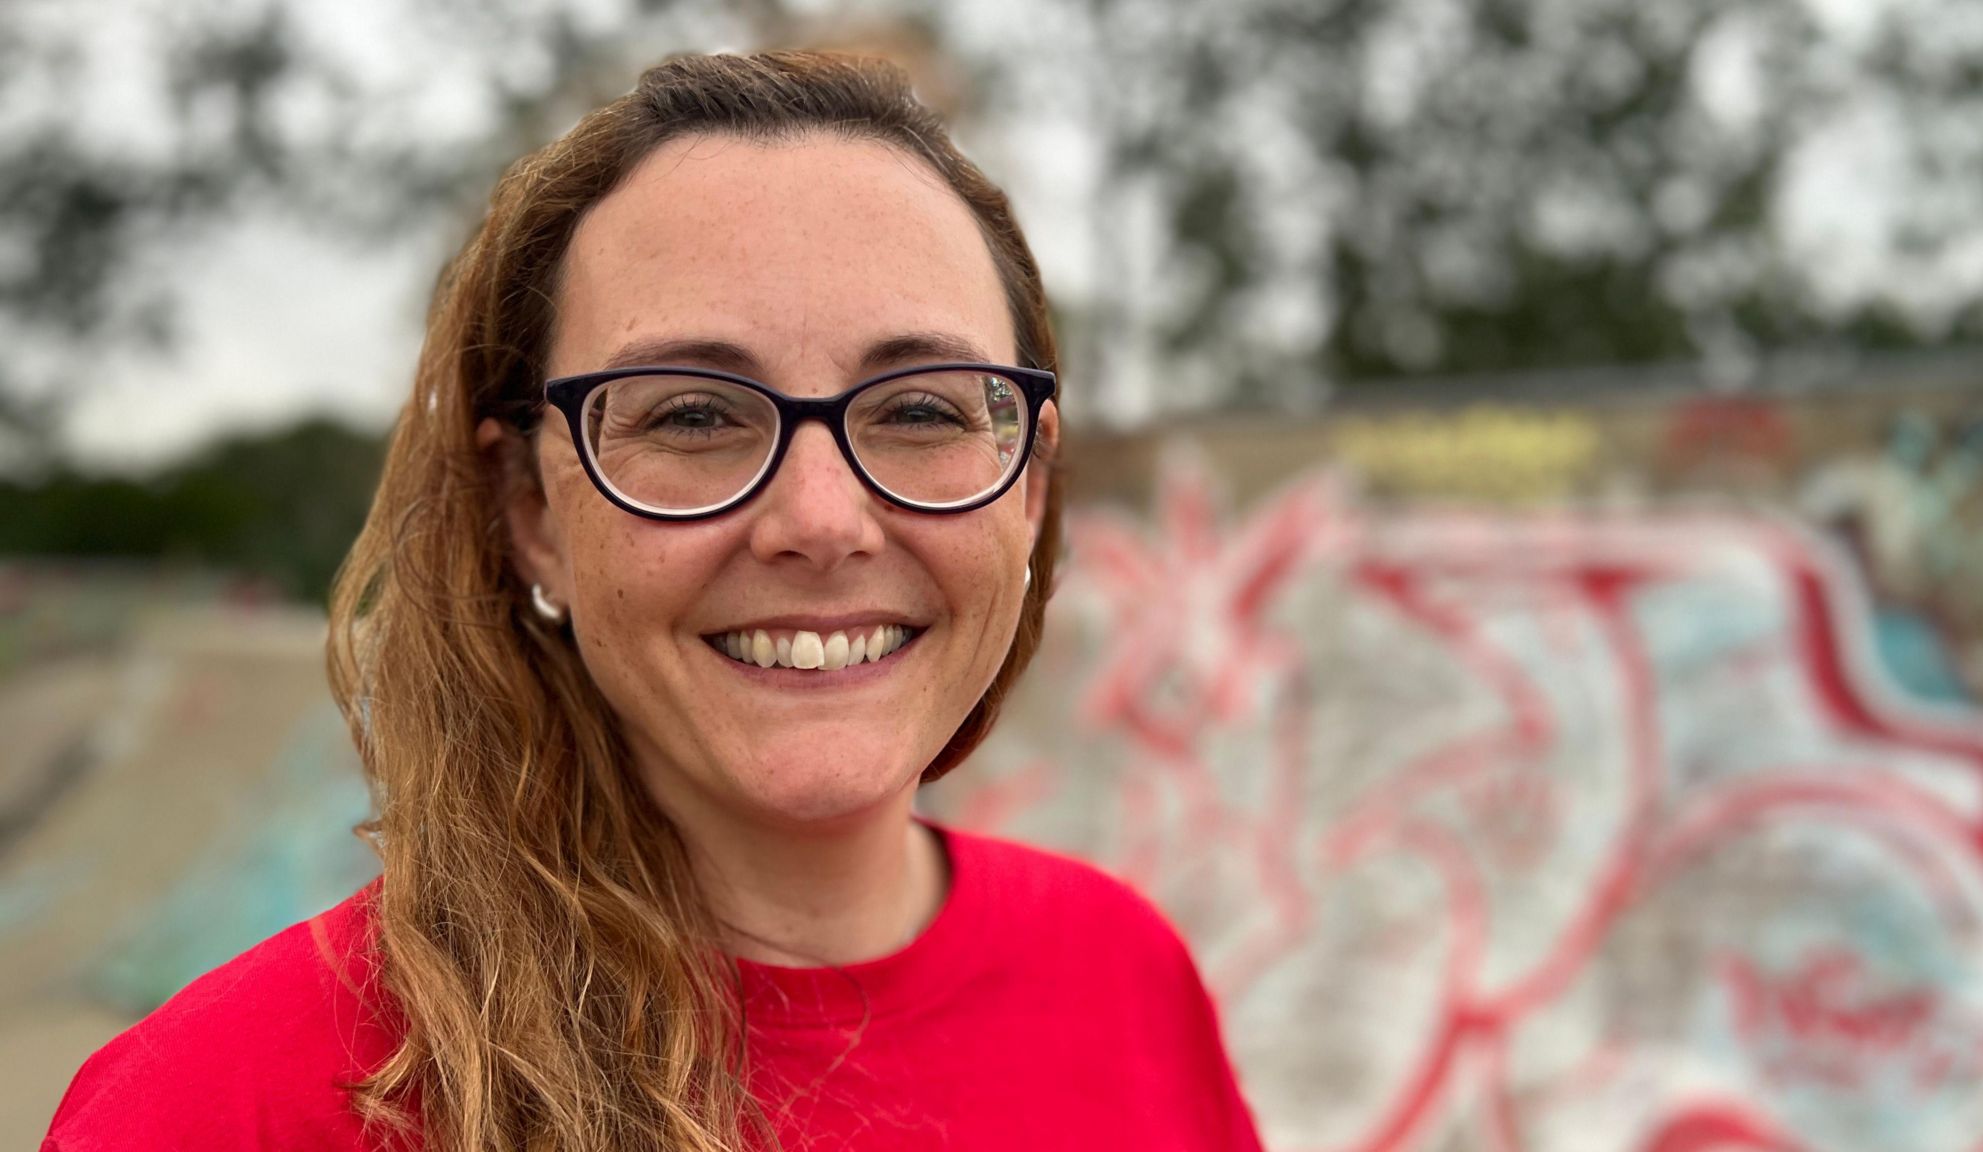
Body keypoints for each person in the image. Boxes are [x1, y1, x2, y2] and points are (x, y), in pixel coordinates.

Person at [43, 50, 1263, 1152]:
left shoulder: (1123, 977)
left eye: (922, 410)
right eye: (692, 416)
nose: (823, 524)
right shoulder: (223, 1107)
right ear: (530, 510)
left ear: (1031, 485)